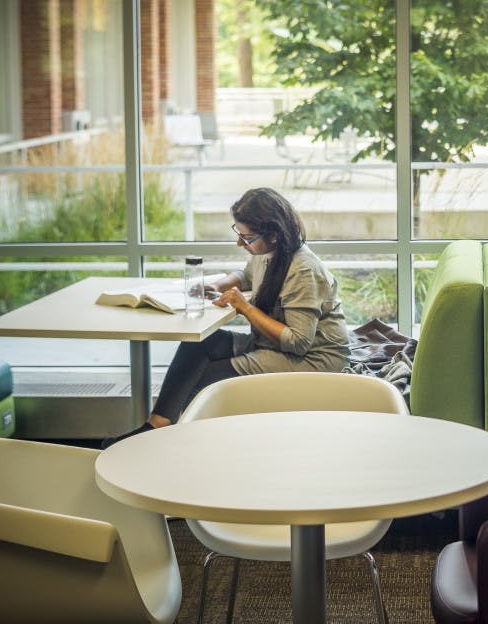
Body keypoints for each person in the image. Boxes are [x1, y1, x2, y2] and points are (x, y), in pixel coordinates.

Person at [102, 187, 350, 448]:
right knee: (199, 344)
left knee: (206, 376)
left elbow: (299, 342)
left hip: (314, 359)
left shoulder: (302, 270)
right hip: (276, 345)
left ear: (274, 235)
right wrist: (219, 286)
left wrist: (245, 308)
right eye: (238, 234)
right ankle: (157, 425)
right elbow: (246, 275)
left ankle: (178, 445)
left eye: (247, 237)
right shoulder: (269, 254)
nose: (240, 243)